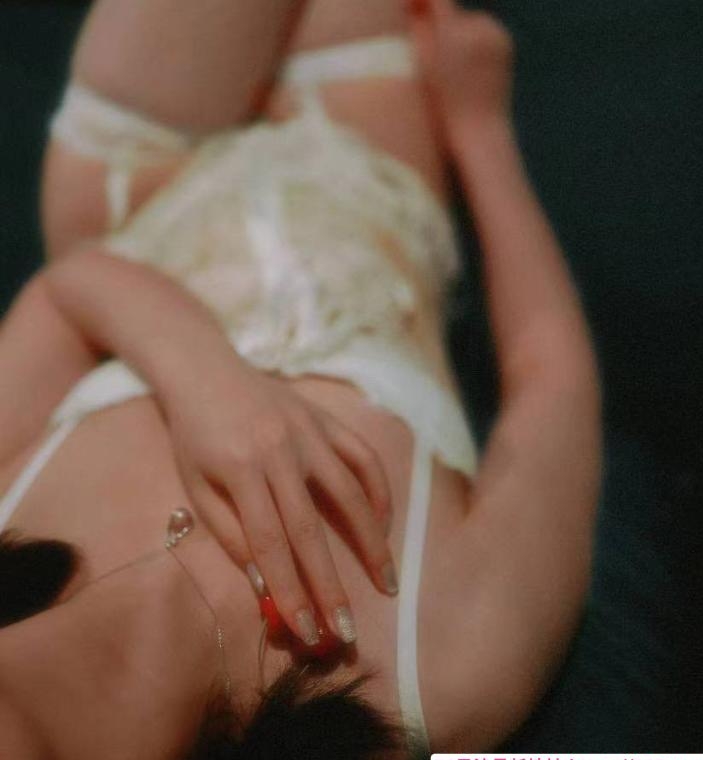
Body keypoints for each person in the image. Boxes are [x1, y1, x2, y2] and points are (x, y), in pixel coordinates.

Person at [0, 0, 601, 757]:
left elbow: (67, 291)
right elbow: (551, 380)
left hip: (131, 179)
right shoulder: (429, 678)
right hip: (372, 149)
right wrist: (481, 129)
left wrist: (212, 386)